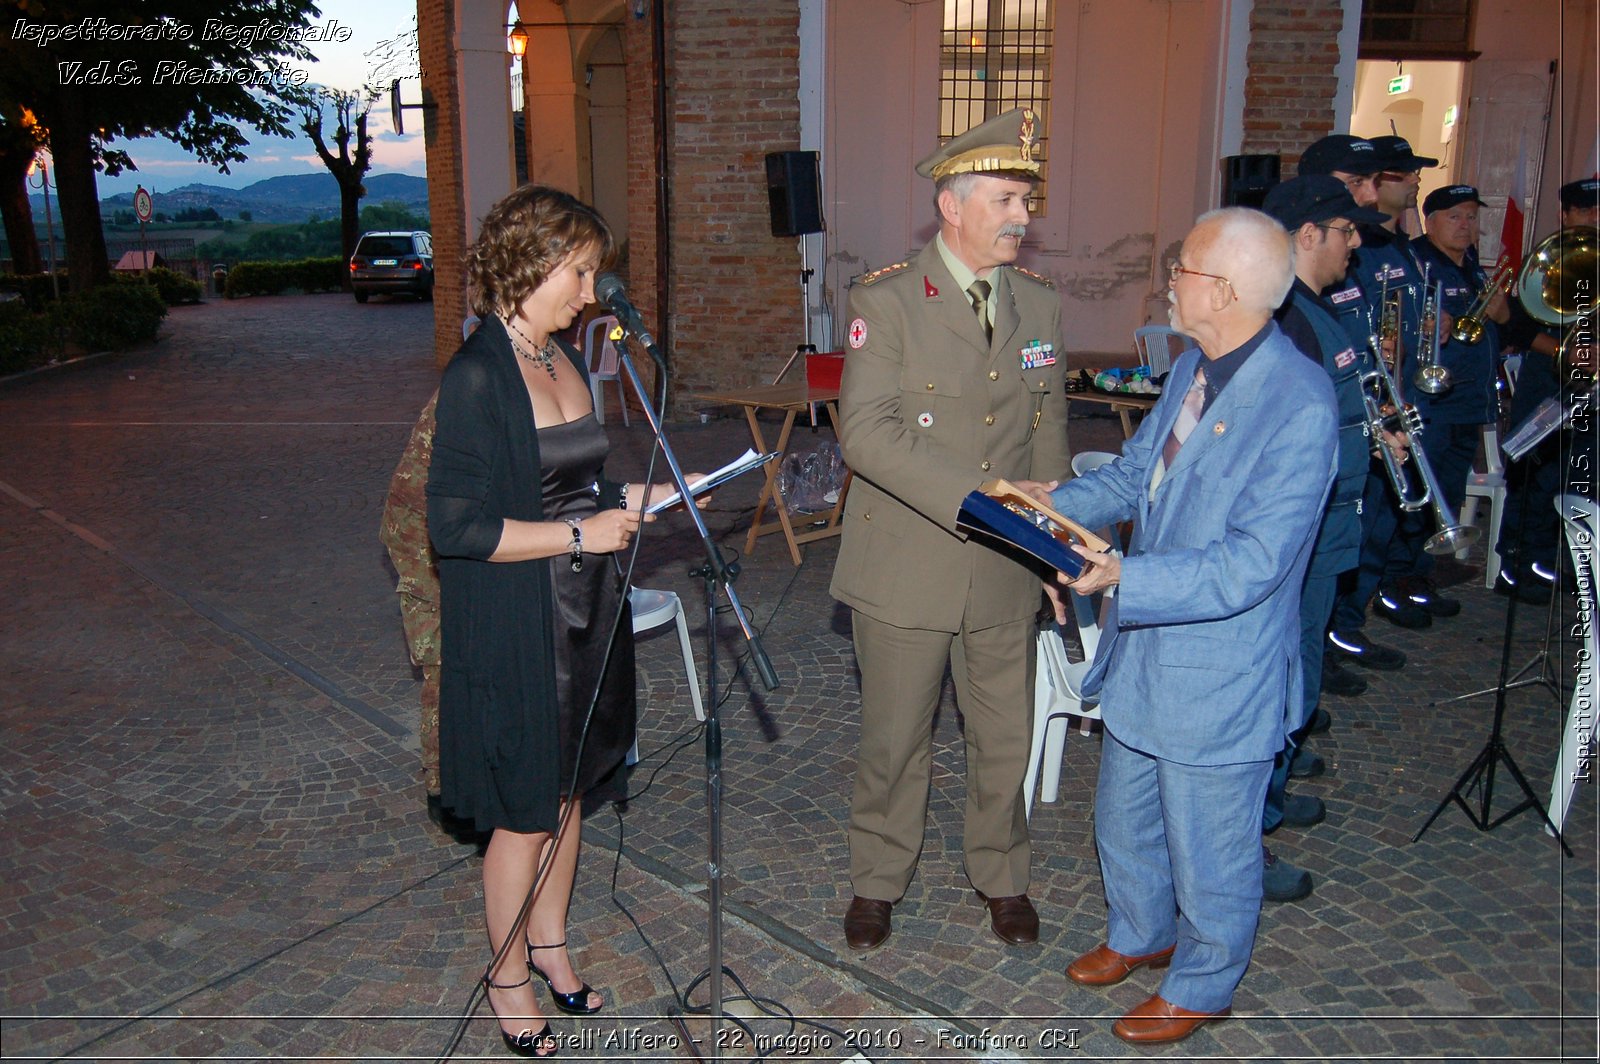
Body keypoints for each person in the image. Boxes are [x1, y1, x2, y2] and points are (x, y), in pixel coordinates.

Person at [1048, 208, 1337, 1046]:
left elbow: (1254, 563)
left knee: (1212, 845)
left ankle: (1205, 981)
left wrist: (1125, 576)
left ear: (1225, 289)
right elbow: (1140, 475)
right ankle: (1143, 933)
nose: (1170, 279)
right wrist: (1044, 510)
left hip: (1219, 667)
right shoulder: (1193, 366)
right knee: (1125, 813)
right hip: (1148, 645)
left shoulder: (1298, 401)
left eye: (1182, 268)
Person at [427, 184, 686, 1057]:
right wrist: (581, 530)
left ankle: (551, 946)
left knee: (571, 789)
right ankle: (504, 979)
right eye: (579, 273)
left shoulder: (562, 356)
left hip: (583, 609)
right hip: (515, 621)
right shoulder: (476, 377)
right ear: (532, 264)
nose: (589, 292)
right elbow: (454, 526)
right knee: (525, 809)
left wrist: (648, 498)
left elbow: (584, 487)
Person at [831, 107, 1070, 952]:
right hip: (907, 564)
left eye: (1026, 200)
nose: (1023, 217)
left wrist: (1052, 544)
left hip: (1006, 564)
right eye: (1007, 198)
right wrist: (987, 491)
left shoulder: (1037, 306)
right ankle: (877, 880)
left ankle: (1002, 876)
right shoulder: (886, 301)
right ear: (953, 204)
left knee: (1003, 736)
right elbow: (866, 433)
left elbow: (1049, 434)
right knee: (895, 739)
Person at [1260, 175, 1392, 903]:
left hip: (1331, 517)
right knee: (1283, 678)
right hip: (1303, 525)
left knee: (1300, 671)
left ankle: (1271, 801)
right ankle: (1249, 830)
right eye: (1346, 231)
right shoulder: (1290, 321)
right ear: (1307, 234)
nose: (1356, 244)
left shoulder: (1316, 310)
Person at [1325, 135, 1440, 668]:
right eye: (1362, 181)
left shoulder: (1391, 246)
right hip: (1357, 413)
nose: (1374, 192)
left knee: (1376, 524)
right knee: (1348, 532)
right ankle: (1333, 633)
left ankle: (1347, 623)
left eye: (1379, 180)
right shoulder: (1350, 252)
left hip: (1389, 404)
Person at [1495, 177, 1600, 598]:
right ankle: (1519, 565)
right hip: (1549, 376)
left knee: (1583, 476)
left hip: (1590, 386)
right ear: (1566, 215)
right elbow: (1516, 323)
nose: (1596, 218)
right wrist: (1563, 351)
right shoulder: (1549, 261)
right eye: (1587, 211)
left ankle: (1566, 560)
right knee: (1539, 473)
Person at [1402, 184, 1504, 598]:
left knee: (1449, 490)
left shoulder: (1473, 265)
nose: (1465, 225)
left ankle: (1428, 572)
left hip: (1467, 401)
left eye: (1471, 217)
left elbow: (1501, 320)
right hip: (1434, 402)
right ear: (1430, 221)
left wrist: (1501, 308)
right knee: (1424, 493)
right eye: (1454, 217)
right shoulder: (1417, 262)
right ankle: (1405, 577)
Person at [379, 392, 444, 813]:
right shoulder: (469, 387)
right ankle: (444, 791)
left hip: (457, 528)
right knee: (446, 664)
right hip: (424, 538)